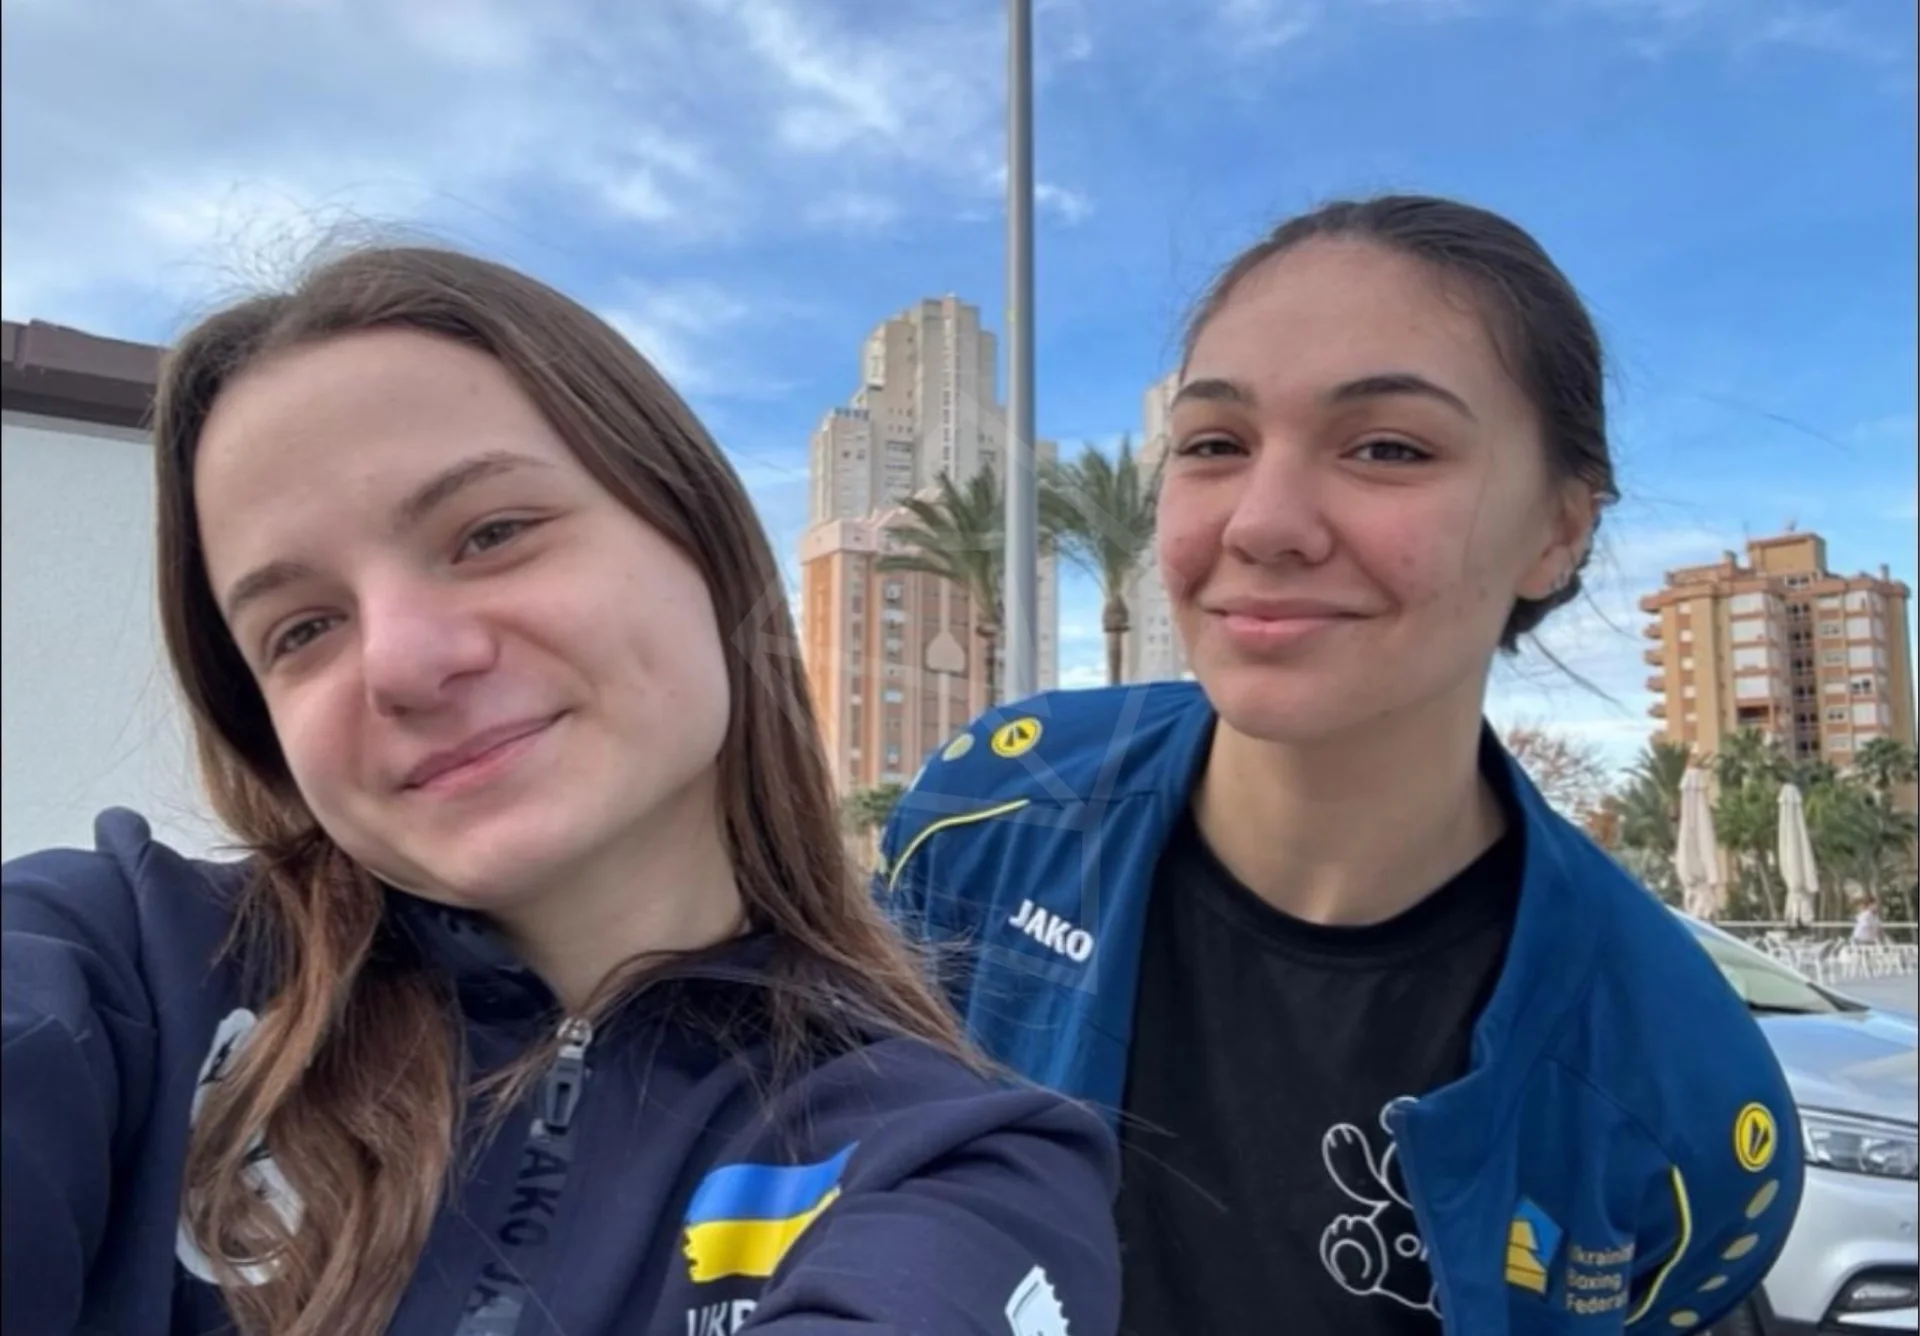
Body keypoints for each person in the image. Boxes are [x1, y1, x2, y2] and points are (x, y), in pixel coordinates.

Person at [0, 246, 1121, 1336]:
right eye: (301, 629)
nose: (401, 662)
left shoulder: (952, 1165)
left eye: (492, 533)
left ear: (705, 546)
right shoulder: (121, 972)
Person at [877, 195, 1803, 1335]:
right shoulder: (985, 822)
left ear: (1559, 530)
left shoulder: (1678, 1087)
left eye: (1388, 448)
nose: (1262, 523)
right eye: (1214, 444)